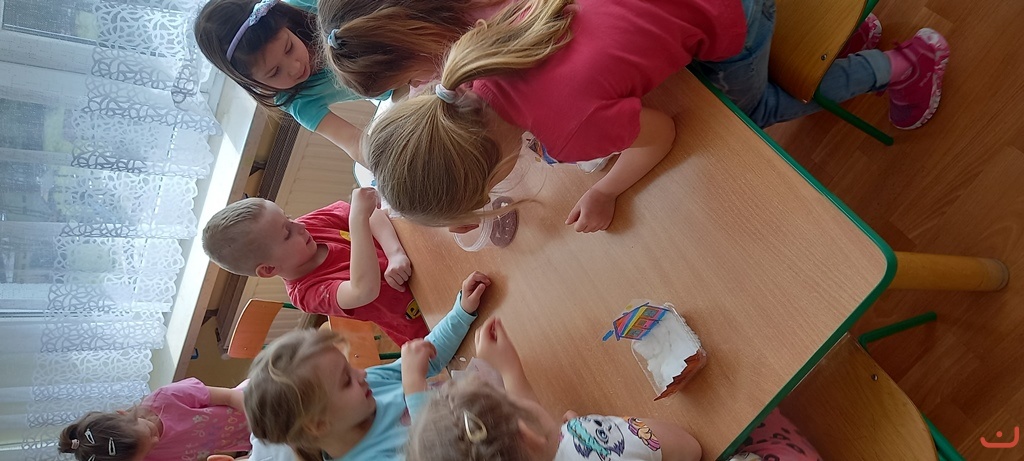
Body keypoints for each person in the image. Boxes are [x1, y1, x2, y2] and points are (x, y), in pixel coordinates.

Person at [364, 0, 949, 232]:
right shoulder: (473, 57)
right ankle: (854, 41)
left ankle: (905, 65)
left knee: (757, 110)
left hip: (734, 11)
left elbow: (660, 134)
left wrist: (605, 191)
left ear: (493, 171)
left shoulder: (570, 136)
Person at [244, 271, 491, 461]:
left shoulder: (369, 385)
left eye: (349, 368)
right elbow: (443, 454)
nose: (361, 373)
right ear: (318, 424)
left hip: (490, 407)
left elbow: (430, 357)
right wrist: (414, 389)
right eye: (345, 381)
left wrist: (461, 313)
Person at [404, 317, 703, 460]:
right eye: (509, 399)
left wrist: (511, 371)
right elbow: (688, 449)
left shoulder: (554, 445)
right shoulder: (585, 440)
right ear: (528, 434)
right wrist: (595, 430)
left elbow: (533, 435)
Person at [201, 188, 424, 345]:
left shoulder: (307, 226)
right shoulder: (306, 293)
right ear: (269, 269)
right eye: (287, 234)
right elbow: (363, 290)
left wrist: (394, 253)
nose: (299, 225)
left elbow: (372, 214)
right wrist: (358, 220)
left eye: (288, 217)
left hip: (420, 265)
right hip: (424, 322)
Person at [194, 0, 391, 163]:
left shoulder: (306, 6)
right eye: (275, 72)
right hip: (396, 88)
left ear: (285, 22)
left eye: (289, 48)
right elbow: (354, 142)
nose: (295, 67)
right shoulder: (295, 101)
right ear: (252, 82)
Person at [58, 378, 250, 461]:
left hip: (254, 403)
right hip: (253, 440)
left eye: (150, 432)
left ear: (124, 414)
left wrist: (259, 422)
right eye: (147, 451)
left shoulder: (168, 397)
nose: (156, 441)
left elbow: (230, 397)